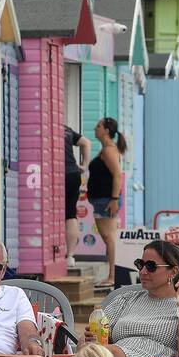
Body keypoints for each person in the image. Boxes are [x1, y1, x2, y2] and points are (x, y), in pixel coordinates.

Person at [87, 118, 126, 289]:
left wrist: (114, 199)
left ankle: (113, 276)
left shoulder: (109, 150)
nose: (95, 128)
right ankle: (112, 275)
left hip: (107, 200)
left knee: (110, 238)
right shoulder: (106, 150)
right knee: (107, 238)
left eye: (98, 126)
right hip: (100, 200)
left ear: (107, 130)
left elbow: (117, 175)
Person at [63, 124, 92, 268]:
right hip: (74, 173)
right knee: (70, 214)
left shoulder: (46, 126)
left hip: (58, 173)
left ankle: (58, 253)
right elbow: (87, 142)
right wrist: (84, 165)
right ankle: (70, 256)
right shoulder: (66, 129)